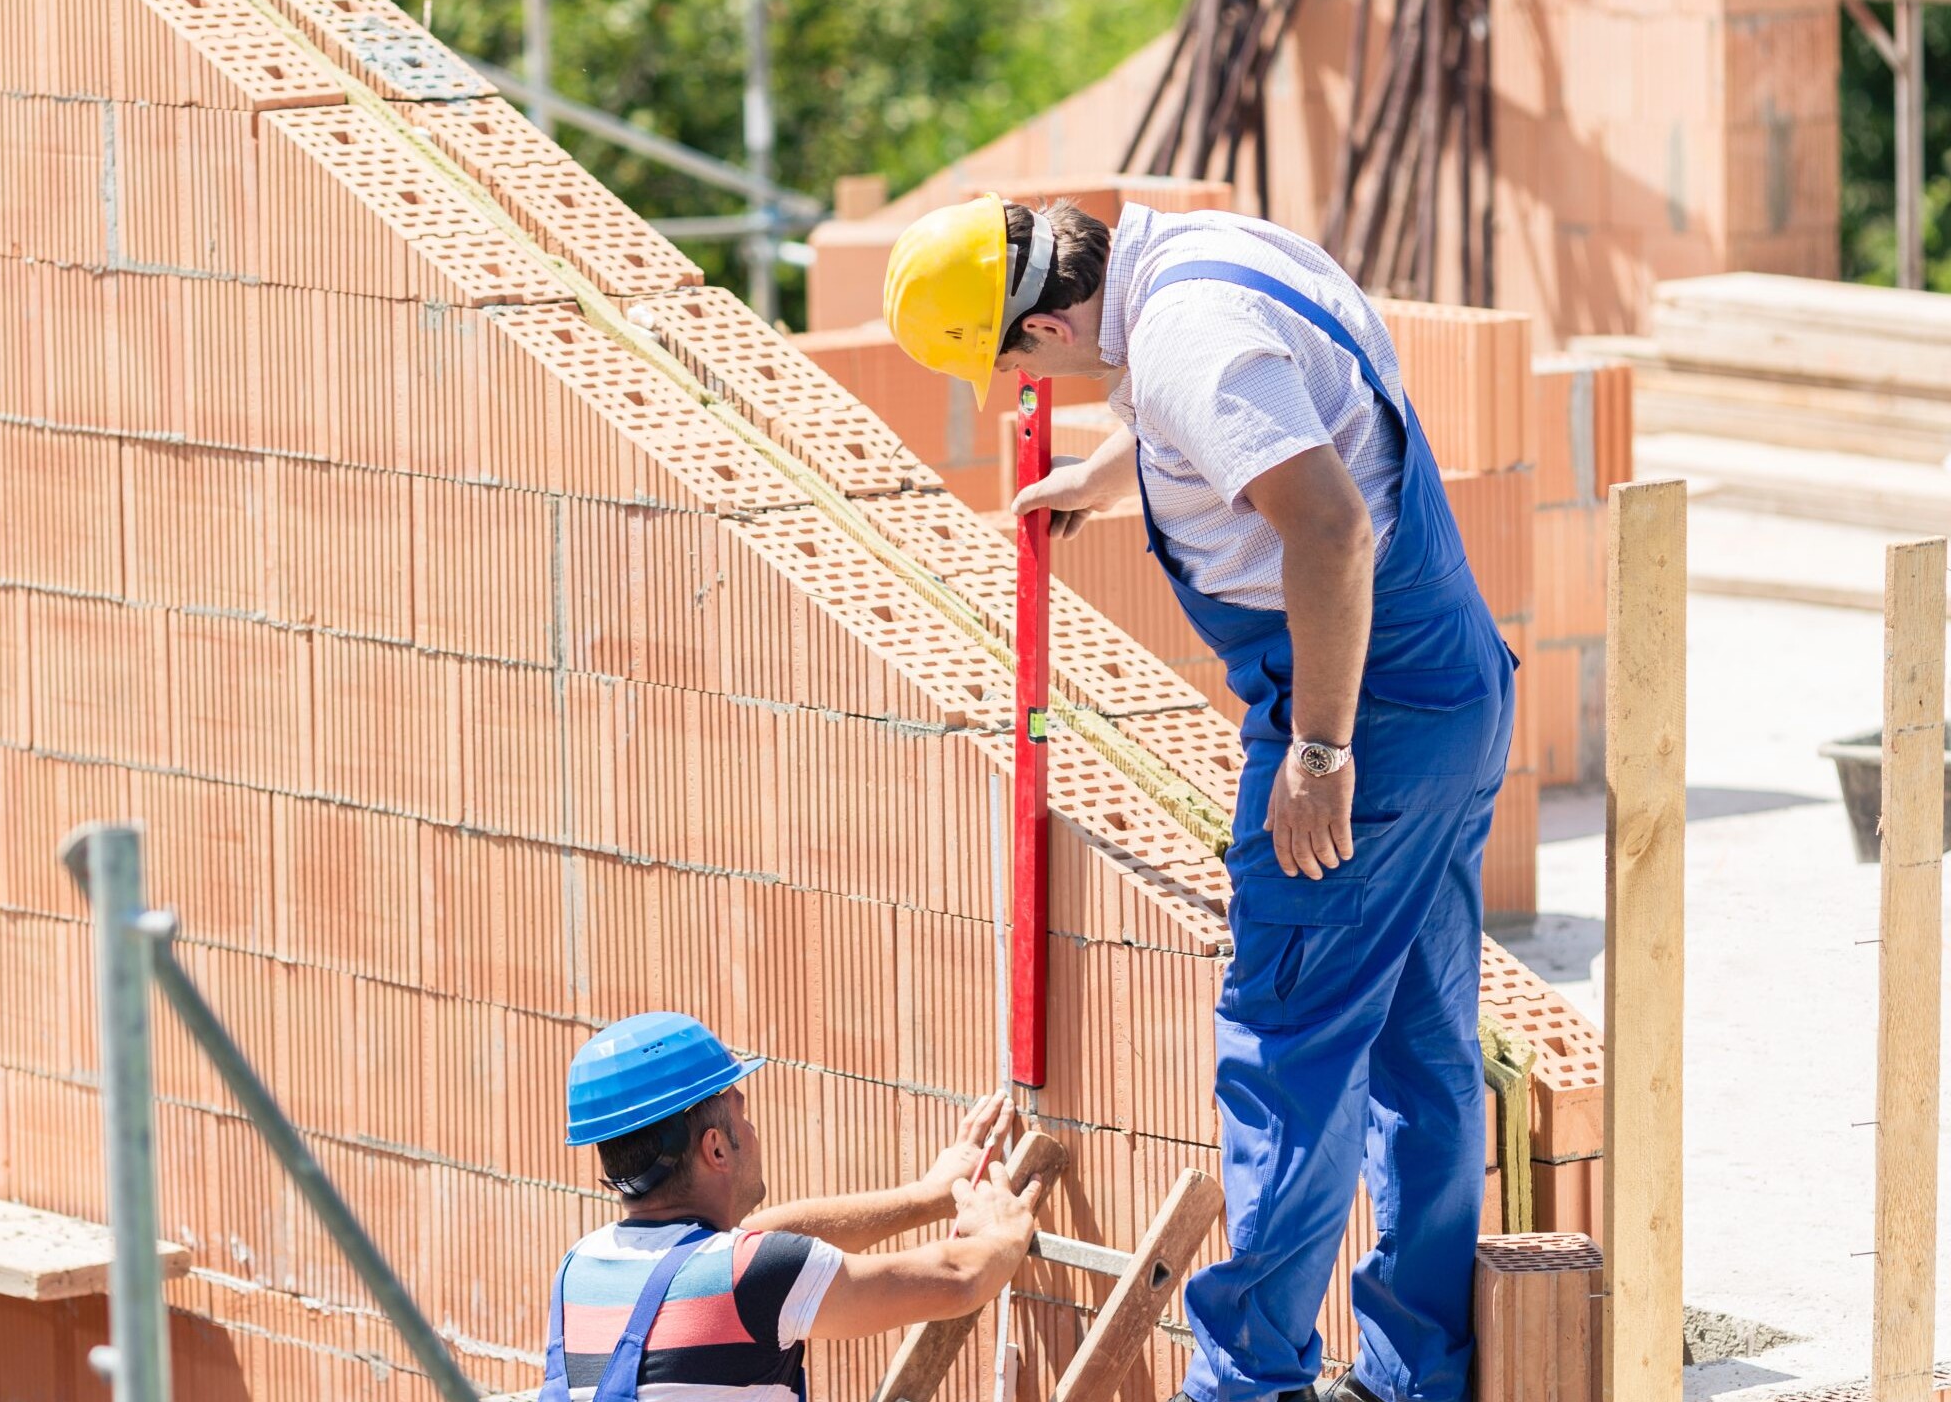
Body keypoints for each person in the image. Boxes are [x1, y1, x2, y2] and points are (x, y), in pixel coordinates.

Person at [879, 196, 1517, 1402]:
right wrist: (1107, 473)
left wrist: (1318, 757)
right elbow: (1254, 410)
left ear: (1054, 317)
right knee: (1418, 1042)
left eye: (1015, 358)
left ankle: (1249, 1382)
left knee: (1287, 1046)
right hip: (1446, 694)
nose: (1028, 377)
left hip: (1361, 717)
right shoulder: (1194, 255)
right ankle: (1417, 1371)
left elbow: (1326, 531)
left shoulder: (1183, 342)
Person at [538, 1011, 1042, 1401]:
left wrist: (925, 1197)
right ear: (716, 1149)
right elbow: (959, 1278)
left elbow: (749, 1246)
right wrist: (1002, 1230)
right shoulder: (752, 1276)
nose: (753, 1132)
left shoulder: (580, 1268)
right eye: (743, 1114)